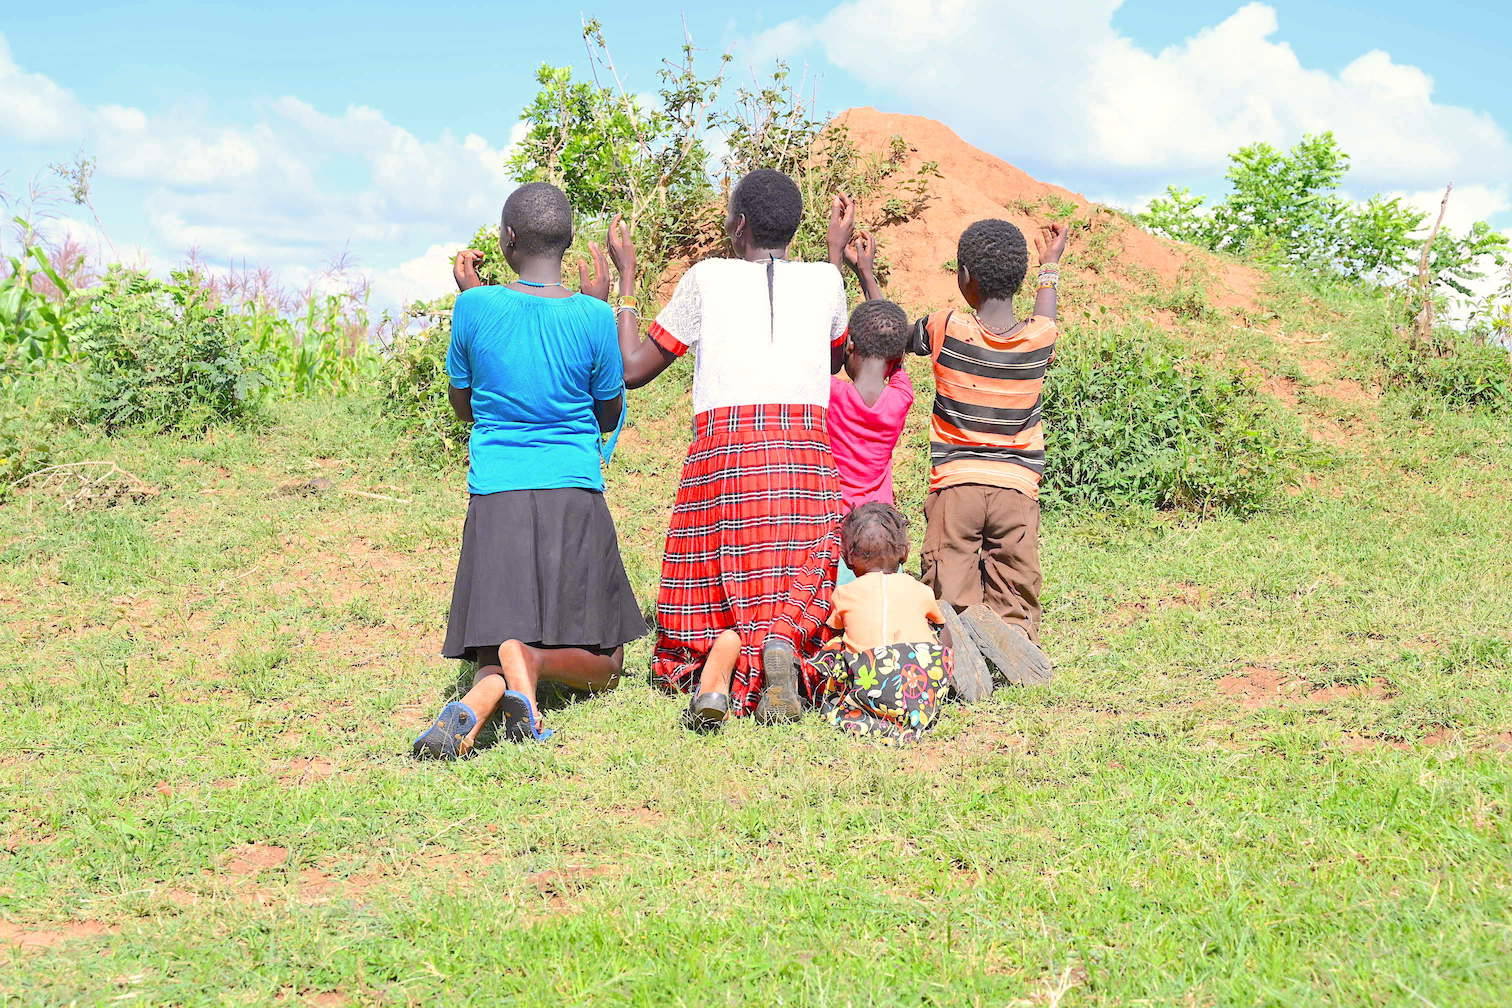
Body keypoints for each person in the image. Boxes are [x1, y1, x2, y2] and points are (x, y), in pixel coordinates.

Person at [606, 169, 857, 726]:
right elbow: (834, 356)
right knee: (800, 560)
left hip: (729, 448)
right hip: (803, 451)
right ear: (795, 228)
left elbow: (633, 369)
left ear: (739, 224)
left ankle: (724, 658)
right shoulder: (824, 280)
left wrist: (627, 280)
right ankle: (786, 645)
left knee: (719, 570)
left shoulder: (707, 277)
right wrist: (835, 257)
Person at [411, 182, 646, 759]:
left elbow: (464, 406)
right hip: (573, 493)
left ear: (508, 238)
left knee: (495, 647)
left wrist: (477, 297)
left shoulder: (473, 305)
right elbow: (609, 410)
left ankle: (478, 703)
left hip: (498, 497)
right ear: (566, 244)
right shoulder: (592, 316)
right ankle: (533, 661)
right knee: (607, 662)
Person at [897, 218, 1071, 687]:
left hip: (957, 486)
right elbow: (1046, 314)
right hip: (1017, 489)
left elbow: (893, 332)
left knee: (948, 582)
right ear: (1018, 280)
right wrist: (1049, 266)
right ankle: (1015, 638)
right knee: (1015, 578)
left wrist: (866, 274)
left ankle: (958, 645)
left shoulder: (945, 327)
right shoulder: (1040, 338)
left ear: (965, 276)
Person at [812, 503, 952, 744]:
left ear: (847, 559)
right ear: (905, 553)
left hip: (872, 688)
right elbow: (944, 631)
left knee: (833, 645)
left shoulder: (845, 594)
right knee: (933, 628)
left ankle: (851, 708)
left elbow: (832, 634)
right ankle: (922, 709)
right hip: (921, 688)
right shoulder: (920, 589)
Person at [827, 234, 915, 527]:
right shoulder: (900, 398)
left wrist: (835, 256)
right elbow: (892, 336)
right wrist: (866, 272)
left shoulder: (830, 395)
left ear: (849, 344)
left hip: (834, 525)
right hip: (880, 526)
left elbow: (819, 346)